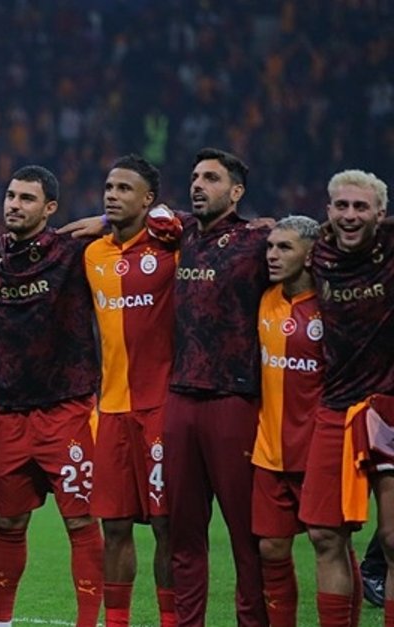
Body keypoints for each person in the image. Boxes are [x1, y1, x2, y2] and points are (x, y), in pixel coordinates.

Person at [0, 165, 104, 627]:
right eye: (11, 195)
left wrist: (108, 220)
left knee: (80, 521)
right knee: (7, 523)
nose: (14, 204)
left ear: (50, 208)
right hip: (9, 415)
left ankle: (88, 622)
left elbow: (156, 226)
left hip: (67, 411)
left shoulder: (73, 252)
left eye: (27, 198)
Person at [164, 148, 270, 626]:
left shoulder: (259, 240)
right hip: (181, 395)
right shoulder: (179, 232)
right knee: (183, 534)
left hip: (234, 397)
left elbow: (310, 241)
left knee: (247, 535)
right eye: (194, 177)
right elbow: (121, 217)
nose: (198, 185)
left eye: (211, 178)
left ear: (236, 191)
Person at [83, 155, 180, 627]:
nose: (112, 195)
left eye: (124, 189)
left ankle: (171, 621)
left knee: (166, 525)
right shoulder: (93, 254)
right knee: (115, 525)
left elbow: (202, 226)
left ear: (148, 200)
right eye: (109, 187)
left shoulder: (171, 248)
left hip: (161, 406)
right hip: (112, 409)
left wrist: (166, 219)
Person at [300, 169, 392, 626]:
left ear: (380, 213)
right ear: (328, 210)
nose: (350, 215)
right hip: (336, 406)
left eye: (361, 207)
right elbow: (264, 236)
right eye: (342, 205)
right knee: (324, 534)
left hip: (389, 406)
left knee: (393, 540)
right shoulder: (315, 251)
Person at [250, 215, 322, 627]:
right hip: (269, 451)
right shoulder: (264, 298)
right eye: (270, 247)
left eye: (284, 248)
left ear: (310, 256)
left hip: (317, 450)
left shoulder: (329, 306)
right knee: (272, 549)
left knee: (328, 544)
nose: (272, 255)